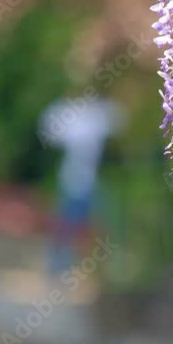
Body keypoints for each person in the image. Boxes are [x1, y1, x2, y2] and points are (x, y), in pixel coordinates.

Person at [40, 96, 122, 274]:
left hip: (85, 182)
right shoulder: (80, 122)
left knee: (80, 224)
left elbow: (117, 118)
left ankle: (65, 265)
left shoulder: (90, 119)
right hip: (75, 182)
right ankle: (59, 265)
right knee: (69, 225)